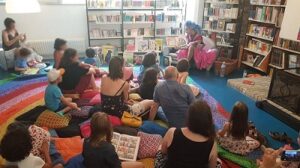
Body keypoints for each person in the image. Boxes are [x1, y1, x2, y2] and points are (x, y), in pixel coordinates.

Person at [161, 100, 217, 168]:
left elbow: (163, 152)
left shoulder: (172, 132)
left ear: (189, 118)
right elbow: (213, 166)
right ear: (208, 120)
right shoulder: (211, 143)